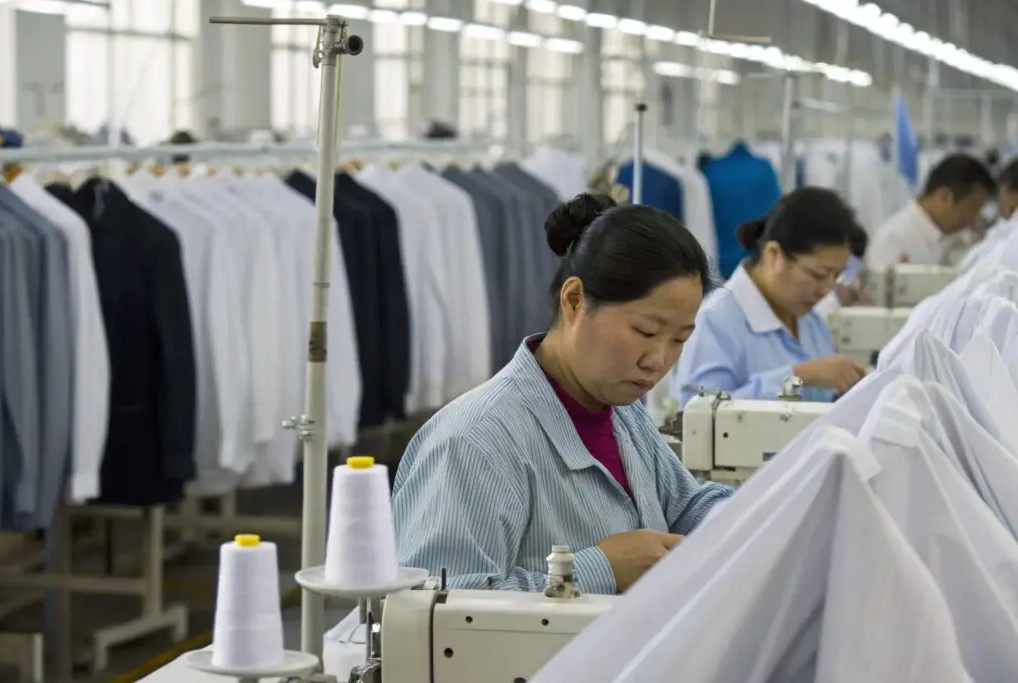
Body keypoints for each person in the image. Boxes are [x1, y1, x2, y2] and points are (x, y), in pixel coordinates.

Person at [392, 194, 733, 595]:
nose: (658, 360)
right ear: (574, 301)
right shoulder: (473, 443)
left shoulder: (620, 413)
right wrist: (597, 570)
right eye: (645, 331)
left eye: (679, 339)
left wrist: (743, 513)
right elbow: (434, 616)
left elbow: (682, 508)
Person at [673, 187, 868, 407]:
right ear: (774, 255)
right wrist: (797, 377)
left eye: (835, 277)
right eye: (818, 275)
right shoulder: (715, 322)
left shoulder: (810, 322)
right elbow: (695, 415)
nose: (826, 290)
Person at [867, 153, 995, 268]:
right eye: (971, 209)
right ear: (944, 196)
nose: (973, 220)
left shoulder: (963, 237)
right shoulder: (893, 241)